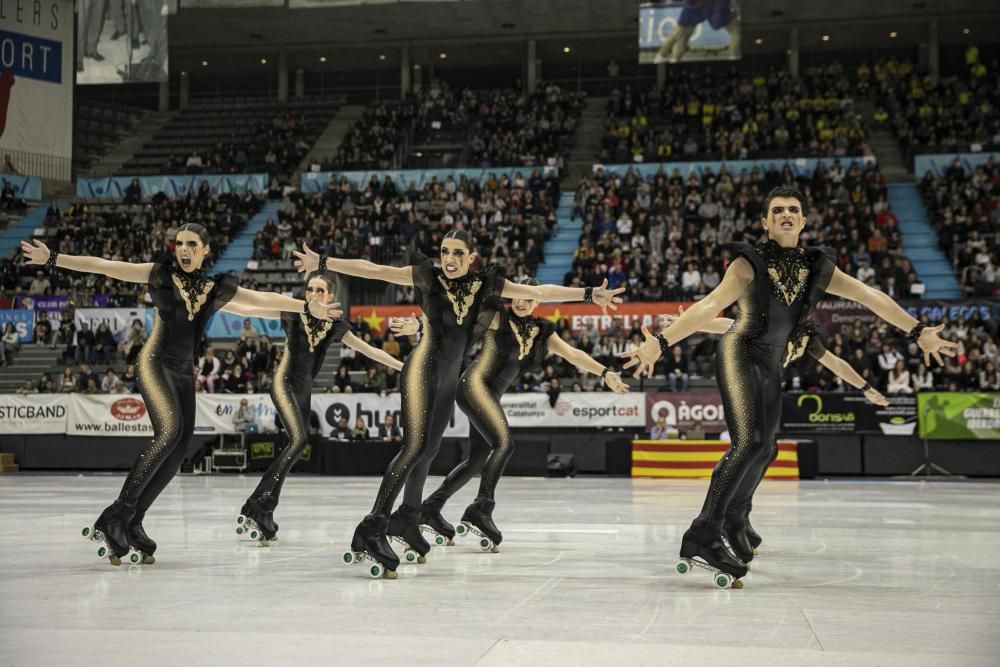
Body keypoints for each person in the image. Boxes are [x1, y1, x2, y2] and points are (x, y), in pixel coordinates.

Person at [622, 186, 956, 587]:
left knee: (766, 446)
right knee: (747, 443)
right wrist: (660, 343)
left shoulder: (819, 267)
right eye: (776, 209)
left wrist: (917, 331)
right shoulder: (749, 264)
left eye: (792, 210)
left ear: (802, 221)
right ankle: (703, 533)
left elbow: (870, 296)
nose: (785, 214)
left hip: (772, 362)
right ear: (765, 221)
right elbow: (710, 306)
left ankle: (735, 519)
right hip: (740, 351)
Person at [294, 231, 623, 577]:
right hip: (422, 368)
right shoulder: (427, 276)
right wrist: (324, 262)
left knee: (429, 451)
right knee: (414, 447)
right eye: (445, 251)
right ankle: (372, 527)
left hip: (450, 379)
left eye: (457, 253)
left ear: (470, 258)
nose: (449, 258)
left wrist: (588, 294)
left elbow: (539, 293)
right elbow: (374, 269)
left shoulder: (486, 285)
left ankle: (407, 519)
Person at [20, 225, 341, 566]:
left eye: (192, 244)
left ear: (205, 250)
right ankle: (116, 516)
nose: (183, 249)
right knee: (169, 431)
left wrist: (306, 307)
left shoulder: (215, 288)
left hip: (184, 371)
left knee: (178, 452)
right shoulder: (159, 275)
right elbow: (104, 265)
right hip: (154, 363)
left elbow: (259, 301)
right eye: (179, 244)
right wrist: (53, 258)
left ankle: (134, 521)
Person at [392, 277, 629, 552]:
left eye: (529, 299)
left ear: (538, 302)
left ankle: (432, 507)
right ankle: (481, 509)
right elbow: (457, 322)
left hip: (490, 396)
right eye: (519, 296)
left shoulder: (543, 331)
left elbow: (573, 354)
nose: (522, 302)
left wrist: (605, 373)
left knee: (478, 458)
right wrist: (419, 325)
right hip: (473, 386)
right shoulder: (497, 316)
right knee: (504, 444)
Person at [227, 273, 402, 543]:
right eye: (310, 289)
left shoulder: (335, 325)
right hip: (283, 382)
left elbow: (368, 350)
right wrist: (213, 304)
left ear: (330, 296)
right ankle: (264, 504)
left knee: (297, 443)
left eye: (320, 290)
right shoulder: (293, 312)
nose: (313, 294)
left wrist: (404, 367)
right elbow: (251, 306)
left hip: (304, 388)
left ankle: (257, 504)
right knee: (298, 440)